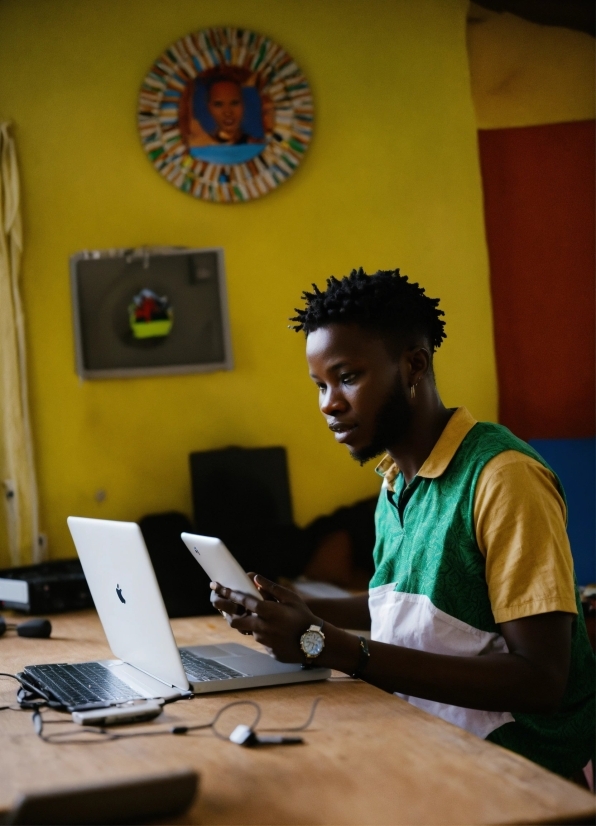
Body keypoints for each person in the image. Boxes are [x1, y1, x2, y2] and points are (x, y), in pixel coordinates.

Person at [211, 267, 595, 779]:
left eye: (348, 377)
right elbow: (412, 609)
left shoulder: (504, 478)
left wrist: (329, 643)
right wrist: (299, 610)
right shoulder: (395, 483)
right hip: (429, 738)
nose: (330, 404)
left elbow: (540, 680)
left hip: (516, 770)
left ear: (414, 365)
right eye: (320, 385)